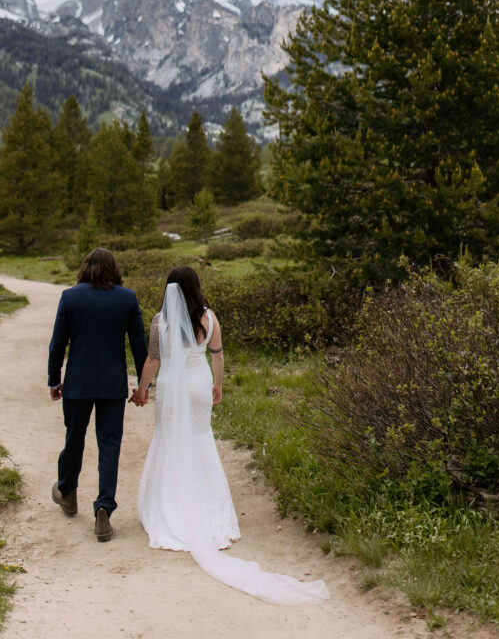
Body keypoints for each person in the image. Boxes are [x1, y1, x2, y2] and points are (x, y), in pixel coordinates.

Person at [131, 266, 329, 605]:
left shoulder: (159, 321)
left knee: (168, 441)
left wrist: (142, 388)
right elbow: (218, 355)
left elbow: (153, 359)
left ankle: (170, 509)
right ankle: (207, 511)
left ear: (170, 291)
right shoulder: (209, 318)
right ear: (196, 288)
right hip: (197, 384)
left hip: (172, 388)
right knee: (200, 438)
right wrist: (218, 384)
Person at [47, 247, 147, 542]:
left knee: (74, 438)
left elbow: (57, 344)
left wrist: (54, 379)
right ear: (113, 269)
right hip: (111, 384)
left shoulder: (70, 297)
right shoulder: (126, 298)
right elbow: (139, 343)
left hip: (77, 382)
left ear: (85, 267)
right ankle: (104, 509)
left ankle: (67, 491)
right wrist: (144, 384)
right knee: (110, 445)